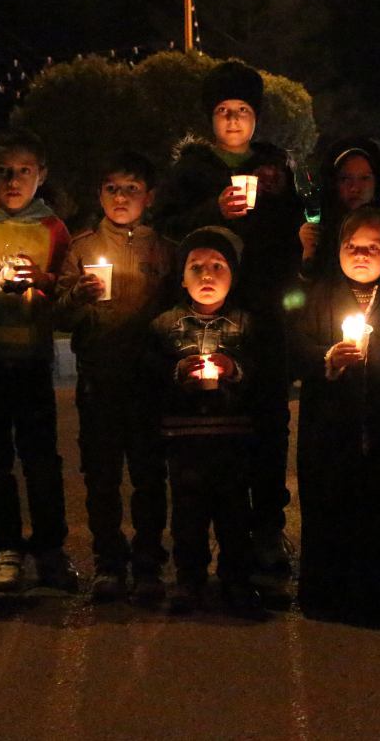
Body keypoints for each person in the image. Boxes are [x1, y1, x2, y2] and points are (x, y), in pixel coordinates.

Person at [152, 60, 300, 584]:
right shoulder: (192, 170)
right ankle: (205, 537)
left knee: (270, 422)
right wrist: (212, 210)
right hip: (206, 315)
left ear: (256, 116)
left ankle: (268, 529)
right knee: (210, 424)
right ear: (210, 118)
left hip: (264, 312)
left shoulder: (275, 168)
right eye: (223, 110)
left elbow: (295, 230)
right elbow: (164, 226)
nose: (233, 119)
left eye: (242, 110)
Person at [290, 206, 380, 624]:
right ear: (338, 249)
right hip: (331, 426)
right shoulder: (319, 293)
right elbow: (293, 343)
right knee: (333, 505)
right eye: (352, 246)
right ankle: (328, 594)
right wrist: (326, 358)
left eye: (374, 247)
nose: (362, 254)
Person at [55, 150, 173, 604]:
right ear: (99, 194)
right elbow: (60, 316)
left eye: (131, 189)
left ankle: (148, 562)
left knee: (149, 475)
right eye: (112, 188)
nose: (121, 197)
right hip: (100, 379)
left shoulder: (164, 248)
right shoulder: (82, 248)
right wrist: (77, 297)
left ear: (150, 196)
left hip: (149, 382)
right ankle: (108, 561)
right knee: (101, 475)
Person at [0, 128, 78, 593]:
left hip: (32, 358)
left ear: (41, 175)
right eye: (4, 172)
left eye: (24, 172)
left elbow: (68, 290)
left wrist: (43, 281)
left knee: (41, 459)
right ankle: (7, 547)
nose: (14, 181)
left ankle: (50, 548)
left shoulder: (54, 229)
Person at [147, 226, 264, 615]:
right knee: (188, 512)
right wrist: (179, 370)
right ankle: (189, 578)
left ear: (234, 276)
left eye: (218, 266)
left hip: (232, 435)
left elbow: (260, 371)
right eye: (196, 267)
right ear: (181, 277)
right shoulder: (165, 324)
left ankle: (237, 579)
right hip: (184, 437)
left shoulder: (246, 324)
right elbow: (150, 370)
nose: (207, 275)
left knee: (234, 512)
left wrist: (234, 369)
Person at [298, 137, 380, 289]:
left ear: (377, 182)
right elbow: (305, 291)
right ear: (334, 183)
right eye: (345, 178)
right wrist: (309, 253)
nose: (355, 187)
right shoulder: (316, 229)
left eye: (364, 178)